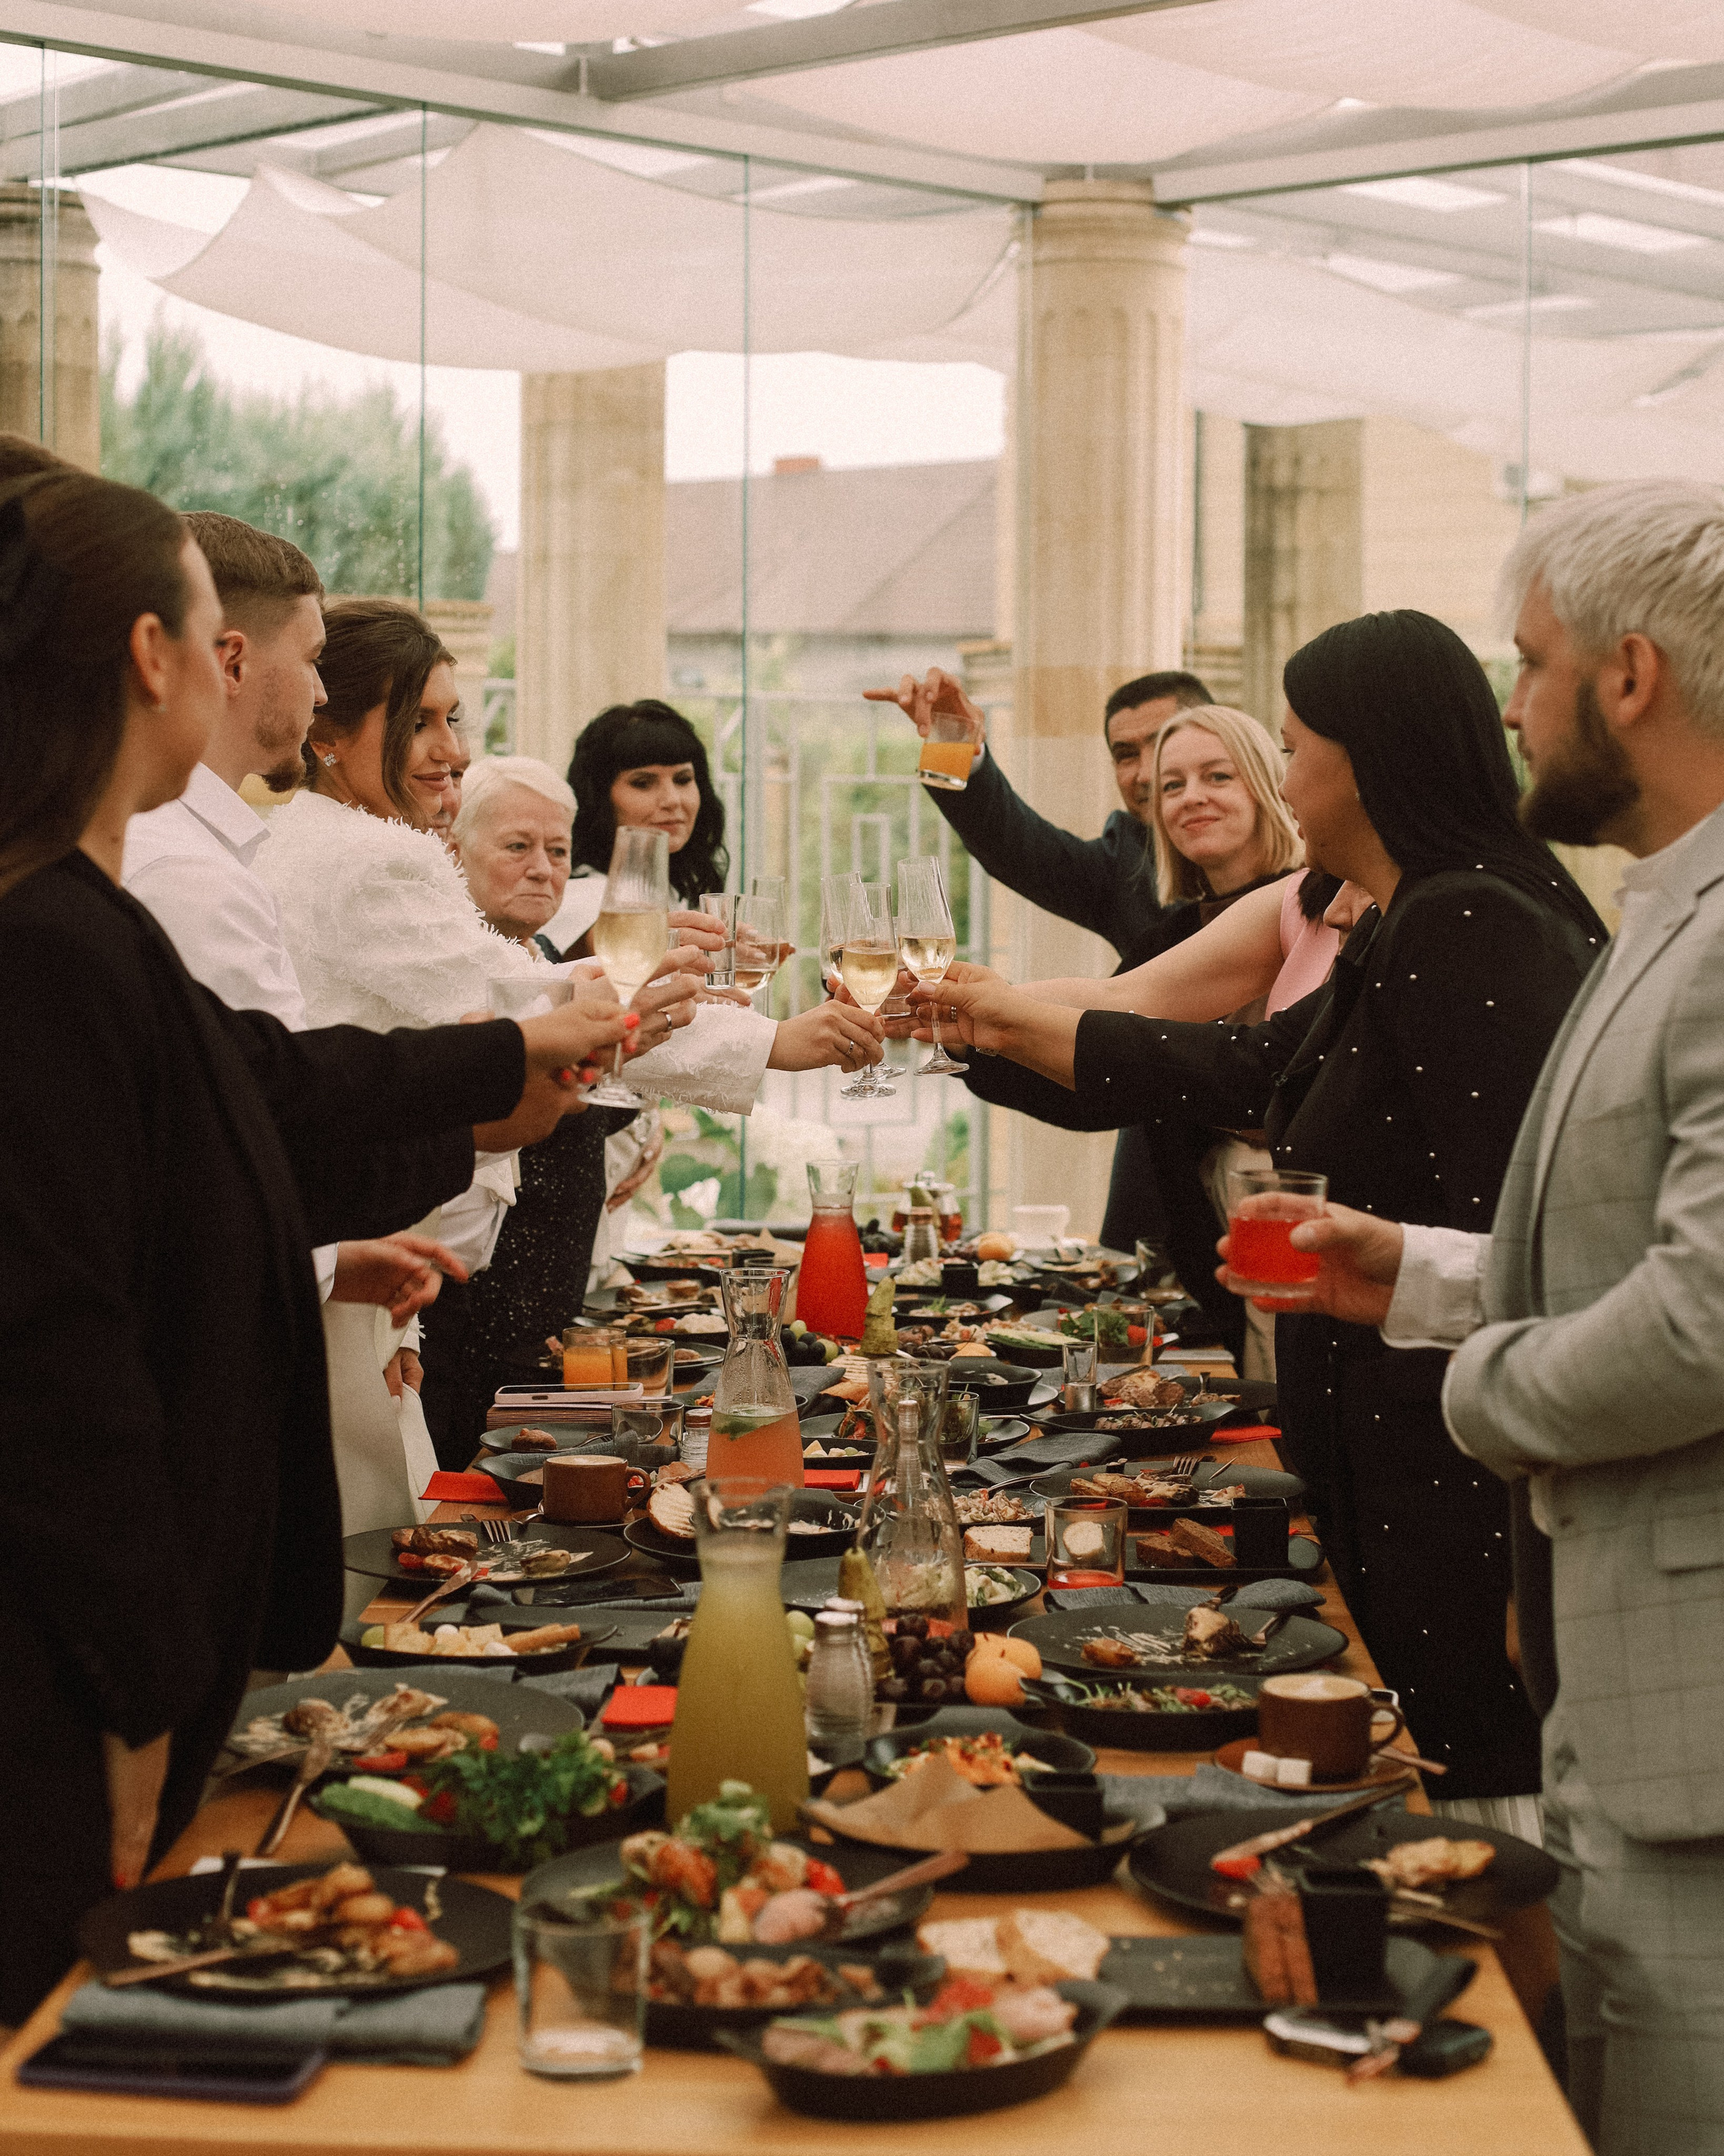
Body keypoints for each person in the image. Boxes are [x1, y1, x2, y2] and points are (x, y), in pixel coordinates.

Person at [0, 467, 633, 2019]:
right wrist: (143, 1693)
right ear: (160, 656)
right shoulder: (49, 935)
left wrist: (498, 1076)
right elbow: (54, 1350)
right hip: (72, 1676)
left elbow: (270, 1092)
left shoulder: (86, 909)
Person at [919, 610, 1606, 1807]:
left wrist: (1528, 1552)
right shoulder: (1401, 916)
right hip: (1386, 1452)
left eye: (1288, 749)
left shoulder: (1467, 921)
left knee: (1485, 1799)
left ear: (1368, 758)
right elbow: (1236, 1070)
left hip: (1453, 1484)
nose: (1281, 781)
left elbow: (1541, 1258)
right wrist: (986, 1019)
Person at [1246, 483, 1724, 2156]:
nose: (1505, 705)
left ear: (1629, 677)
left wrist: (1477, 1384)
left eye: (1527, 663)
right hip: (1610, 1680)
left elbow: (1699, 1320)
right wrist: (1418, 1276)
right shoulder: (1657, 901)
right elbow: (1602, 1247)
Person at [121, 513, 451, 1357]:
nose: (322, 692)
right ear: (232, 660)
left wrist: (331, 1267)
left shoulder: (213, 850)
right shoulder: (183, 871)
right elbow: (248, 1148)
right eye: (310, 661)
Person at [940, 706, 1315, 1369]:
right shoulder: (1168, 928)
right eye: (1169, 785)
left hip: (1303, 1228)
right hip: (1193, 1236)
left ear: (1267, 781)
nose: (1189, 796)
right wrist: (963, 1038)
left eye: (1216, 775)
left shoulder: (1322, 904)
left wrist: (989, 1012)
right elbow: (1096, 1068)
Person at [865, 664, 1216, 1262]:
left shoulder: (1311, 886)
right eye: (1124, 753)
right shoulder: (1128, 864)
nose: (1144, 772)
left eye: (1161, 744)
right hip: (1162, 1176)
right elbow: (1015, 845)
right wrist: (952, 744)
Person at [418, 754, 641, 1466]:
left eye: (558, 851)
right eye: (517, 846)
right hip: (472, 1311)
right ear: (452, 853)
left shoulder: (544, 955)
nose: (544, 868)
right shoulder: (448, 971)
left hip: (547, 1317)